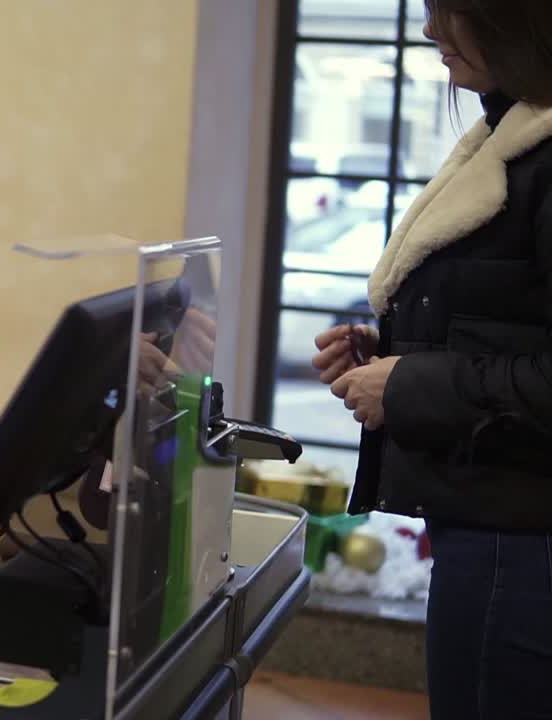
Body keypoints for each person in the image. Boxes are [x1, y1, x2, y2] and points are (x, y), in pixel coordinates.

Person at [312, 2, 552, 717]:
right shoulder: (514, 131)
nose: (427, 31)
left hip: (521, 547)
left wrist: (410, 384)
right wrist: (393, 354)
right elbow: (514, 327)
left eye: (446, 12)